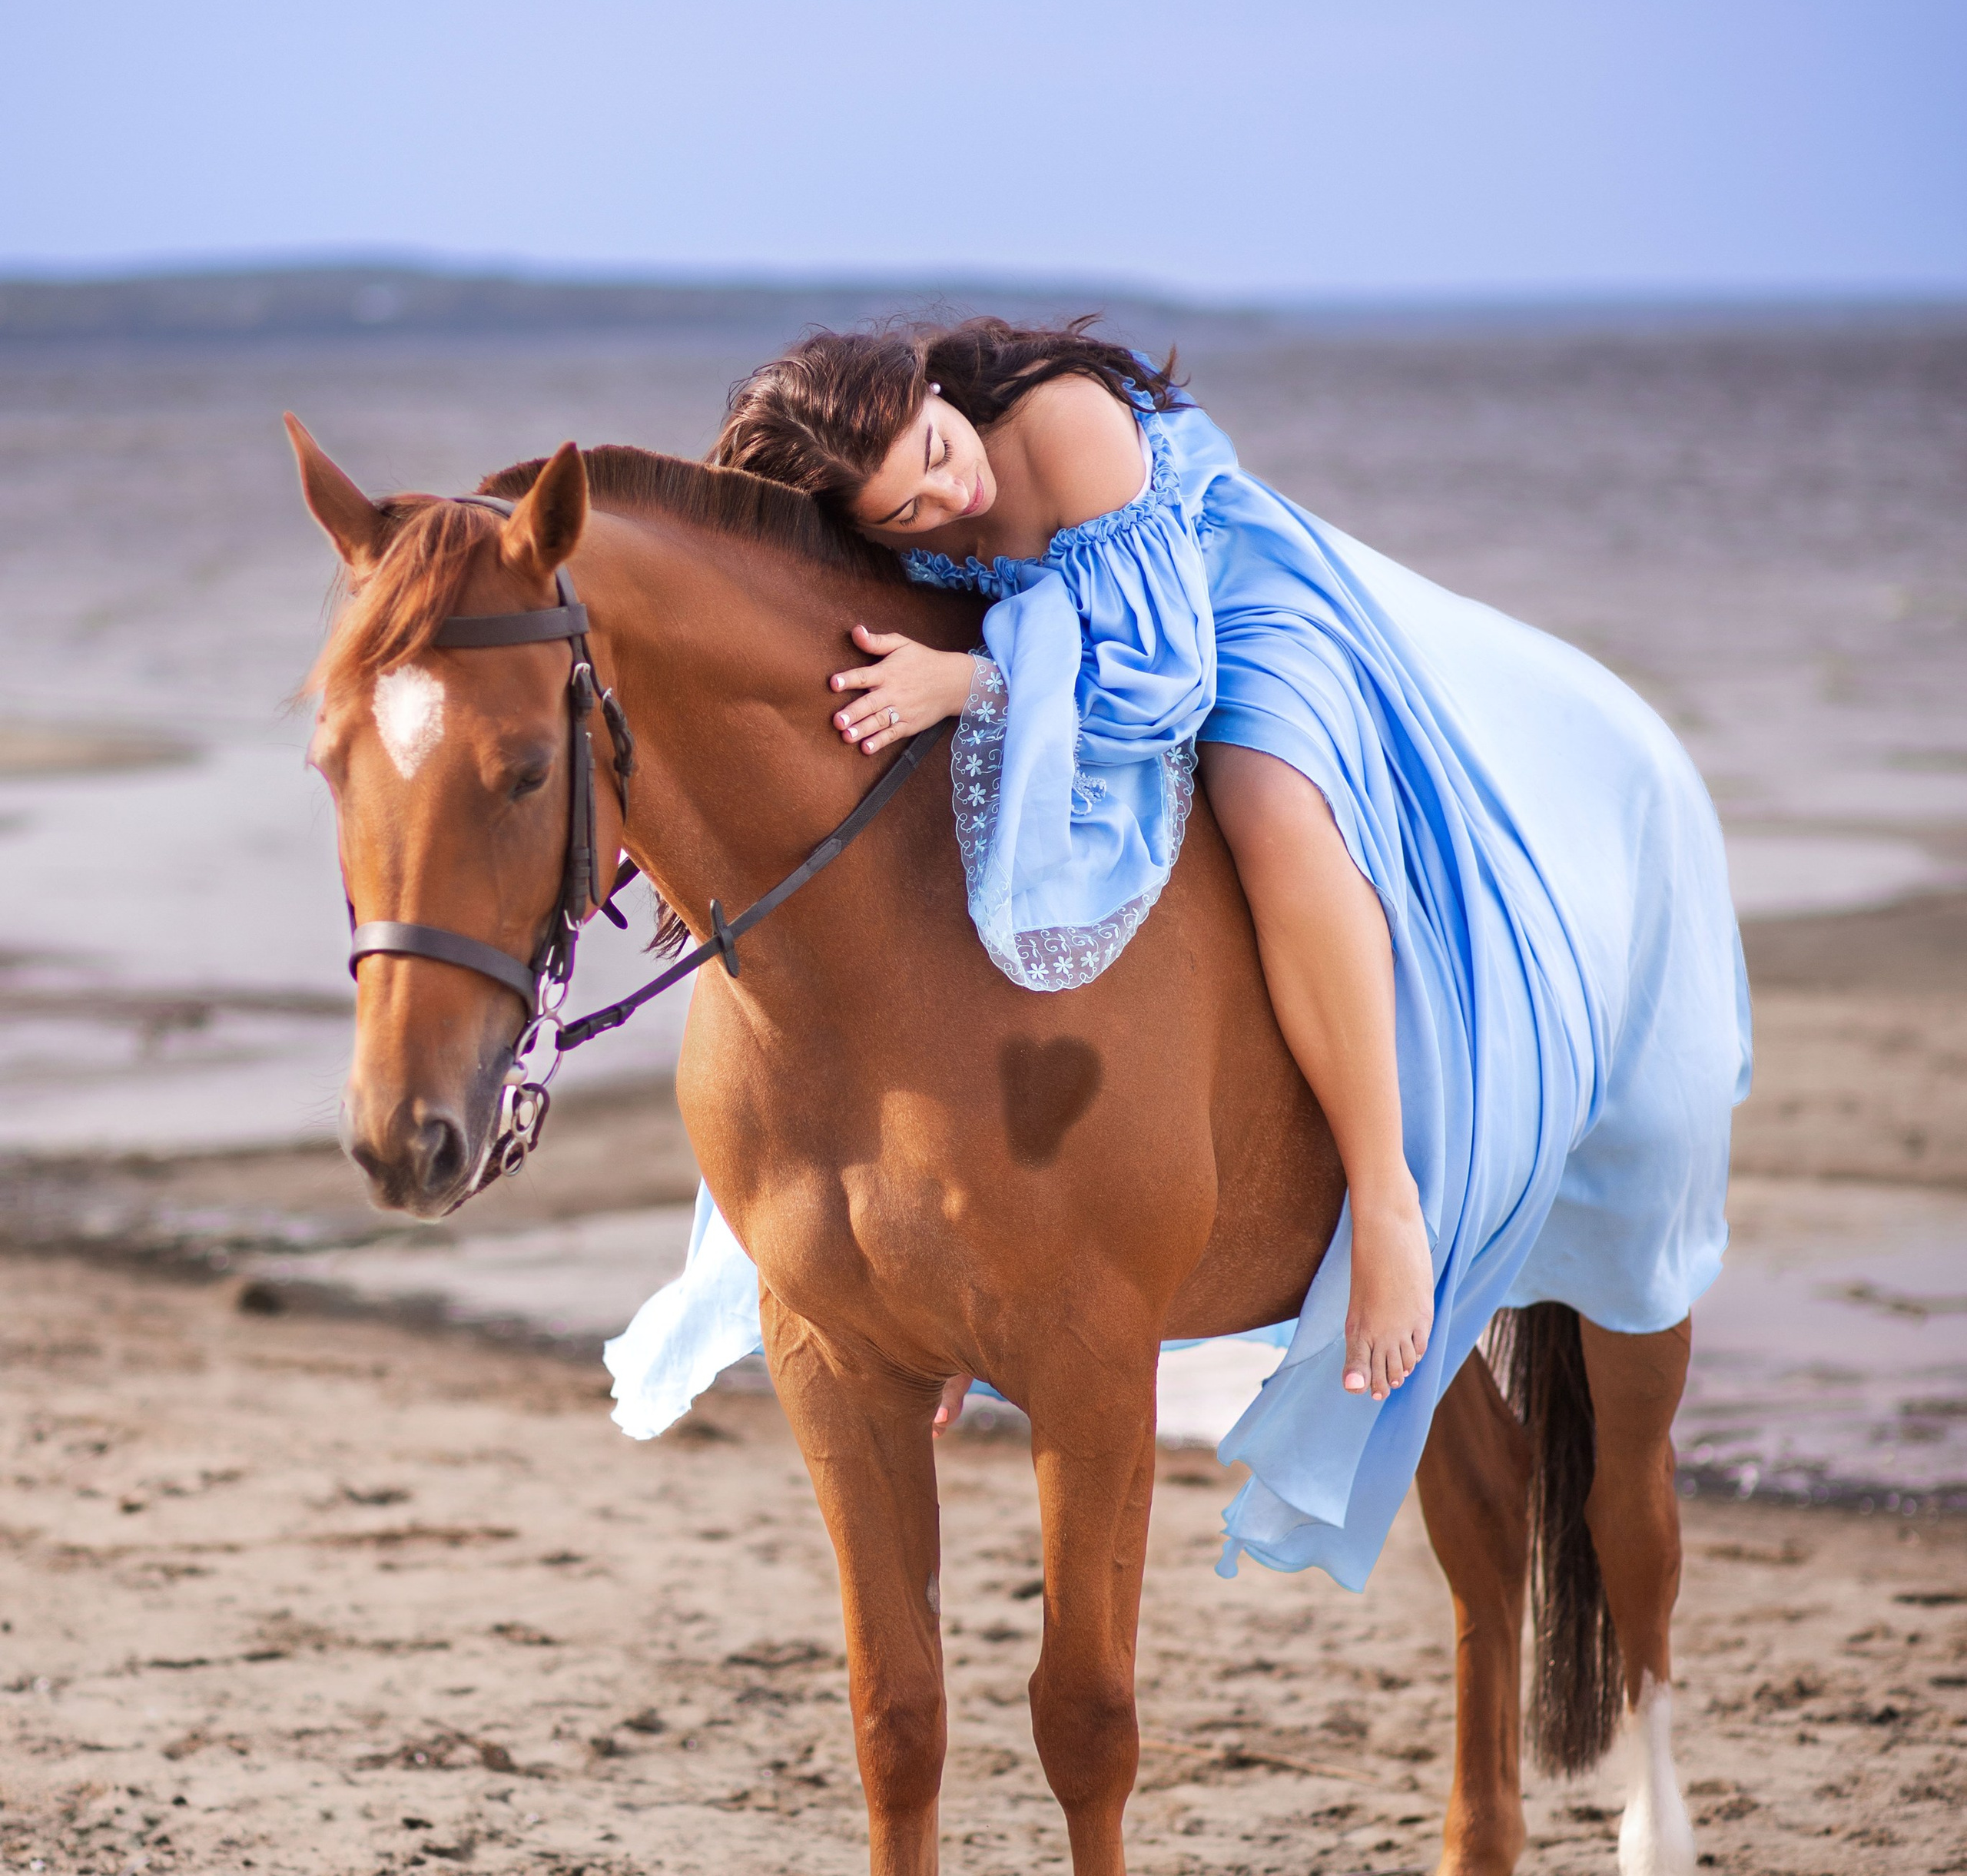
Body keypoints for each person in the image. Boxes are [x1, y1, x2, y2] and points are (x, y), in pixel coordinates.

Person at [604, 317, 1750, 1593]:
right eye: (908, 511)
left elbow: (1157, 689)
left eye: (935, 450)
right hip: (1053, 656)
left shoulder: (1062, 425)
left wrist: (971, 686)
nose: (948, 495)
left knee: (1270, 806)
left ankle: (1386, 1197)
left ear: (935, 393)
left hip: (1219, 616)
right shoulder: (915, 521)